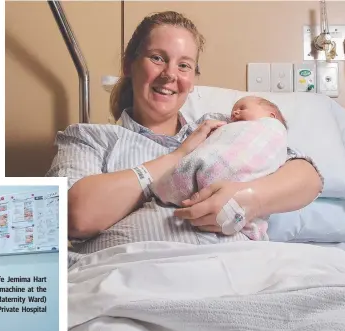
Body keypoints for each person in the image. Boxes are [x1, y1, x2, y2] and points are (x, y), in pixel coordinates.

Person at [47, 11, 323, 265]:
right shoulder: (89, 139)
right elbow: (73, 216)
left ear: (193, 79)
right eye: (157, 58)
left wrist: (249, 198)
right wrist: (177, 157)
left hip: (239, 272)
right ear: (128, 66)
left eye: (184, 66)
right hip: (132, 281)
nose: (169, 75)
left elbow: (307, 177)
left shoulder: (222, 126)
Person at [151, 96, 290, 240]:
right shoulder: (210, 125)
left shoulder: (274, 135)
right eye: (234, 110)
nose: (235, 113)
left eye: (242, 108)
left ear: (271, 116)